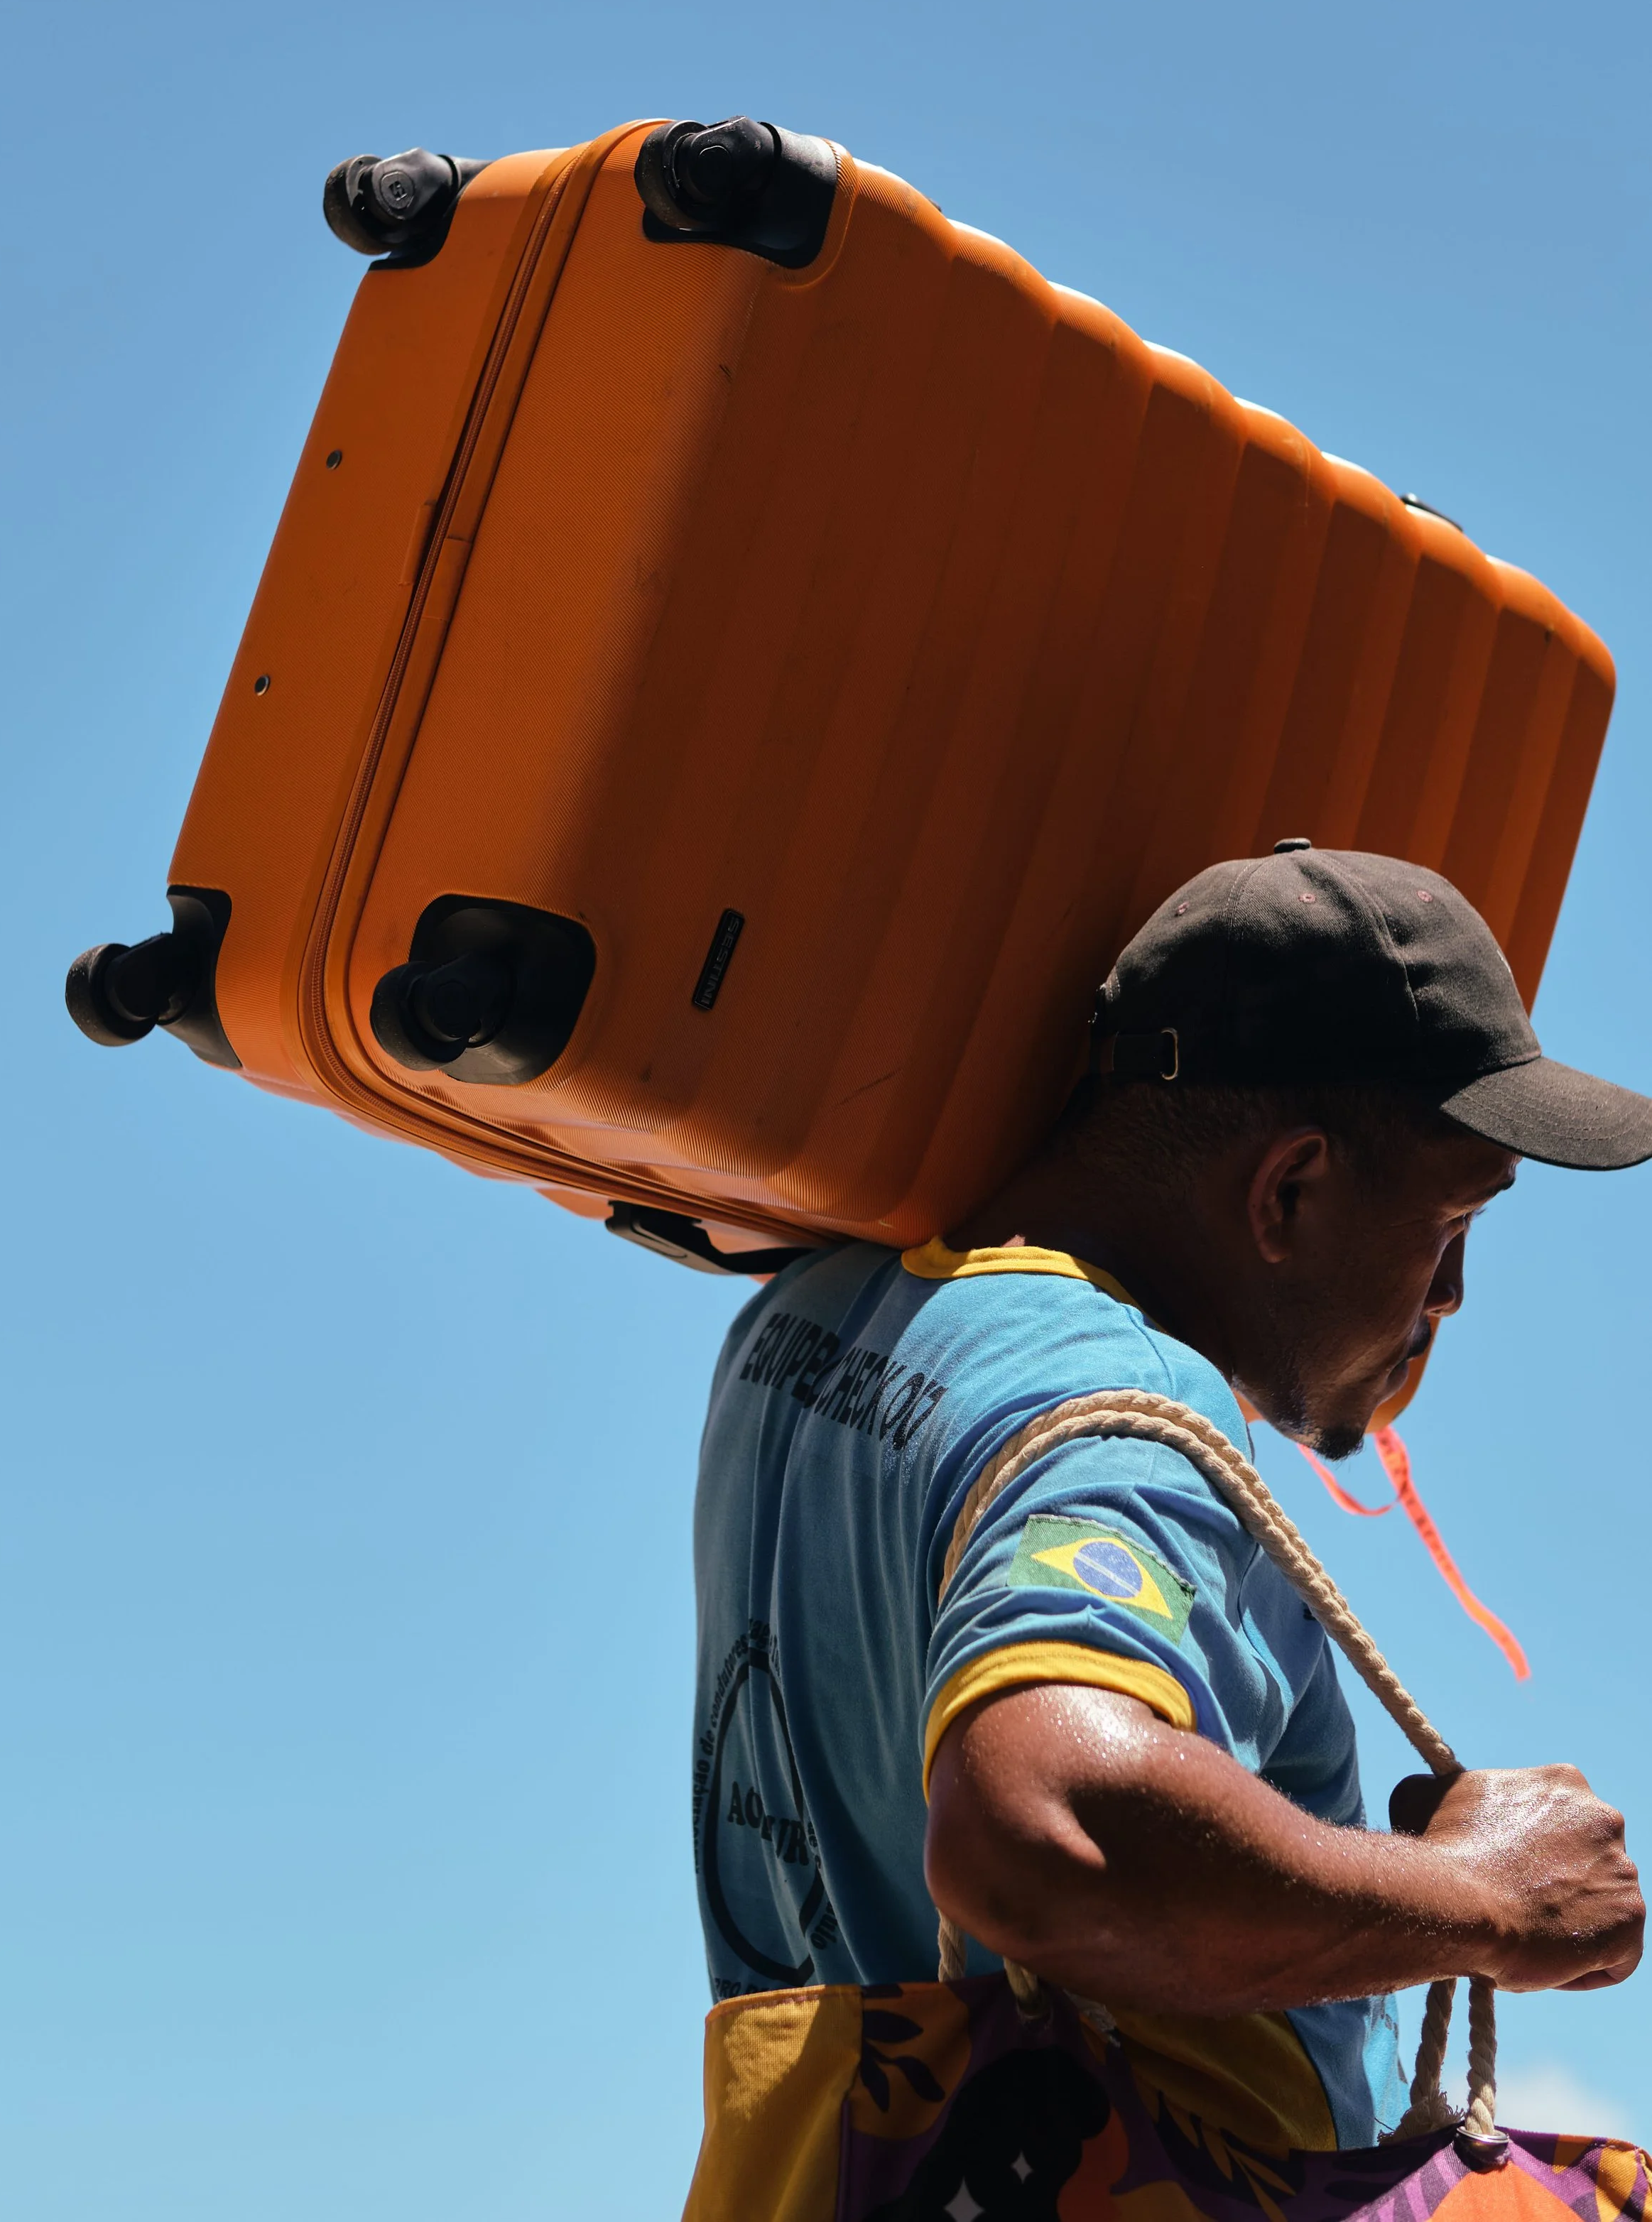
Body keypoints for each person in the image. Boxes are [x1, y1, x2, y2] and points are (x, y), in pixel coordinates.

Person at [690, 843, 1649, 2153]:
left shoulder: (806, 1321)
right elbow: (1040, 1828)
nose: (1452, 1296)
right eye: (1451, 1225)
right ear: (1289, 1190)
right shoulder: (1124, 1404)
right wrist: (1481, 1893)